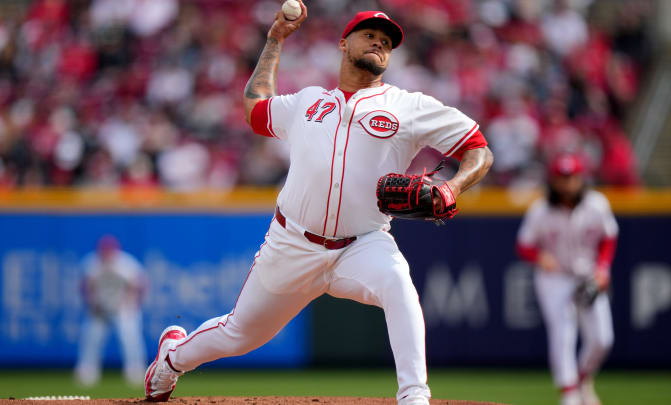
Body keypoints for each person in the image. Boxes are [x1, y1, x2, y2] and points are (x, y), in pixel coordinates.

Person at [143, 3, 493, 404]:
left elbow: (479, 149)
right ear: (344, 43)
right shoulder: (308, 101)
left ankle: (414, 396)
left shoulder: (409, 107)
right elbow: (255, 108)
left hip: (362, 243)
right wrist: (275, 40)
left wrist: (453, 187)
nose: (379, 42)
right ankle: (171, 360)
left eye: (387, 41)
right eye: (369, 35)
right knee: (239, 334)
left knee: (399, 285)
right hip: (293, 243)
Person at [516, 154, 617, 405]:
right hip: (555, 277)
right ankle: (569, 393)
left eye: (571, 177)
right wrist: (540, 257)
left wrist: (603, 268)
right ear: (554, 180)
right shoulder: (540, 209)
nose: (567, 183)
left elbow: (609, 237)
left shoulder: (597, 204)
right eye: (562, 178)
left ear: (581, 178)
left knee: (602, 339)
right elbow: (523, 245)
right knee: (563, 334)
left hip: (587, 274)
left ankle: (582, 378)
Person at [75, 235, 147, 387]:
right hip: (99, 309)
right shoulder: (92, 263)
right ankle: (86, 373)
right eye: (104, 251)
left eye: (109, 251)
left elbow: (140, 284)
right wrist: (91, 303)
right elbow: (85, 286)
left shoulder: (126, 263)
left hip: (122, 308)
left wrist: (132, 304)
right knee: (92, 340)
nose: (107, 254)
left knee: (130, 341)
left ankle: (135, 372)